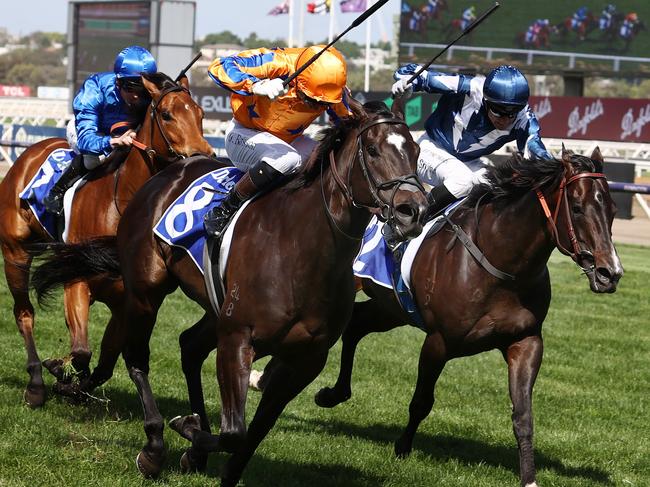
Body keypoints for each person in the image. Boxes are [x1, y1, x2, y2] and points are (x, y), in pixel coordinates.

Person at [203, 45, 351, 239]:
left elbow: (348, 122)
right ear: (299, 79)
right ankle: (224, 209)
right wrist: (256, 85)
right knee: (287, 159)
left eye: (323, 104)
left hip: (288, 140)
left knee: (327, 158)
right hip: (244, 134)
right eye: (310, 99)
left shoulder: (332, 92)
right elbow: (219, 66)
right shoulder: (278, 62)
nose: (316, 107)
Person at [390, 64, 551, 223]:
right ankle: (407, 220)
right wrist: (406, 81)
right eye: (498, 111)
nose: (505, 120)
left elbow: (536, 152)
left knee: (498, 188)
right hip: (429, 148)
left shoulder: (525, 119)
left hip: (468, 163)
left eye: (512, 114)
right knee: (462, 180)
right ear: (486, 101)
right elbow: (415, 74)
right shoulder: (471, 87)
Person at [44, 45, 157, 215]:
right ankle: (57, 192)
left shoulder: (147, 95)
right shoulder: (95, 87)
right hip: (86, 130)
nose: (137, 96)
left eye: (143, 91)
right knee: (95, 158)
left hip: (123, 131)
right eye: (130, 89)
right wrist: (112, 141)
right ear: (118, 82)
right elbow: (85, 140)